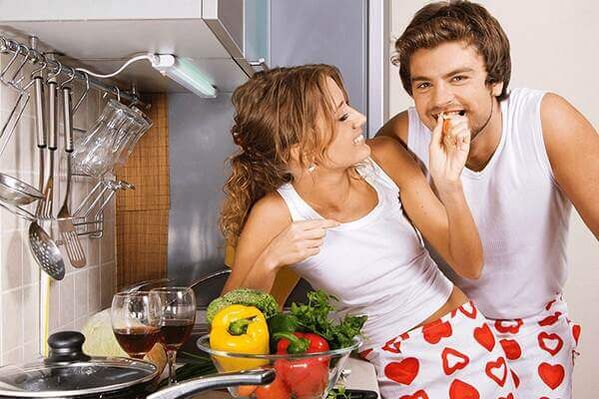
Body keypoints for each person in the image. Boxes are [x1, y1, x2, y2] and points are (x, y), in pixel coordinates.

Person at [220, 64, 515, 398]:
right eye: (341, 116)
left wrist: (449, 186)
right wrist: (270, 260)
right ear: (299, 149)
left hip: (470, 344)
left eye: (348, 106)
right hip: (387, 368)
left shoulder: (384, 159)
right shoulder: (275, 214)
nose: (359, 117)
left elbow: (470, 265)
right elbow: (235, 333)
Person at [377, 1, 599, 397]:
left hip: (534, 332)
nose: (441, 99)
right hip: (438, 335)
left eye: (458, 77)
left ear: (494, 79)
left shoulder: (546, 121)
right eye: (424, 84)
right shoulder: (399, 139)